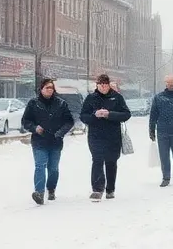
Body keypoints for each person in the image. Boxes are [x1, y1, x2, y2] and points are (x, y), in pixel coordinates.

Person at [20, 76, 76, 205]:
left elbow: (69, 121)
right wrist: (35, 128)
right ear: (41, 89)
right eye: (47, 87)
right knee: (40, 166)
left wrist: (60, 133)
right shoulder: (33, 103)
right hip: (39, 141)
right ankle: (39, 193)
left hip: (55, 141)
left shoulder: (61, 104)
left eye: (51, 87)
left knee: (53, 168)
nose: (50, 90)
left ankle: (51, 189)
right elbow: (25, 121)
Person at [80, 73, 131, 201]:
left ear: (109, 85)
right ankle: (97, 189)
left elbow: (126, 114)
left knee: (111, 161)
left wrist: (110, 114)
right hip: (95, 136)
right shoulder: (91, 98)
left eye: (105, 84)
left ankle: (110, 189)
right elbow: (83, 116)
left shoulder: (117, 97)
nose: (103, 87)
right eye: (101, 84)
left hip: (113, 135)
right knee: (97, 160)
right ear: (97, 85)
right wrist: (94, 115)